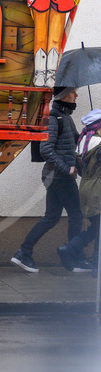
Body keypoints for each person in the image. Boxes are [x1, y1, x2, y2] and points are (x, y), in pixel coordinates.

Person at [11, 86, 84, 273]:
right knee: (76, 215)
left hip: (56, 177)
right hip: (59, 177)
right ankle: (73, 258)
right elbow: (46, 149)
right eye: (72, 92)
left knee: (51, 217)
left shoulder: (65, 117)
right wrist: (67, 168)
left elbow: (75, 142)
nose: (76, 95)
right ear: (62, 96)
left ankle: (23, 253)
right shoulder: (54, 119)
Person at [58, 108, 101, 275]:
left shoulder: (83, 141)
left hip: (86, 188)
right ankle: (70, 249)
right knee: (98, 228)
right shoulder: (99, 144)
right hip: (97, 190)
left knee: (97, 228)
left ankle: (94, 264)